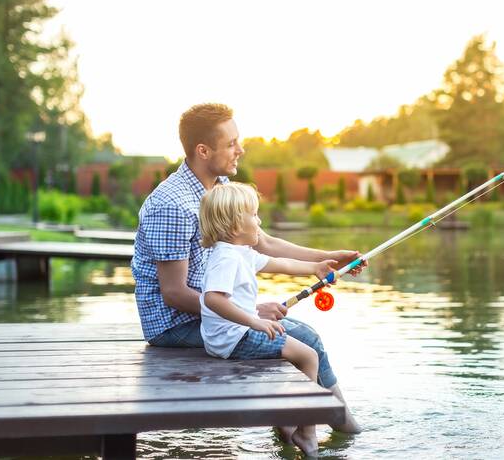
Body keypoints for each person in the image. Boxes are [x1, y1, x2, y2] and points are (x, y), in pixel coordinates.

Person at [130, 103, 363, 436]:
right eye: (232, 143)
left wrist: (324, 259)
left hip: (213, 310)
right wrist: (250, 310)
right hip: (174, 325)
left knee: (296, 333)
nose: (241, 149)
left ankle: (304, 423)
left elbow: (263, 243)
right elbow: (174, 293)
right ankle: (339, 423)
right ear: (203, 150)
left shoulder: (219, 186)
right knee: (304, 337)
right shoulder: (172, 205)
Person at [198, 182, 342, 456]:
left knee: (298, 354)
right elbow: (212, 299)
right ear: (234, 226)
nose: (259, 220)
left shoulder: (241, 253)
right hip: (234, 338)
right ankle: (307, 432)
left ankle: (288, 424)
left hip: (235, 334)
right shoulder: (226, 257)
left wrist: (315, 268)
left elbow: (282, 264)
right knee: (308, 356)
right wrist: (255, 321)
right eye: (253, 215)